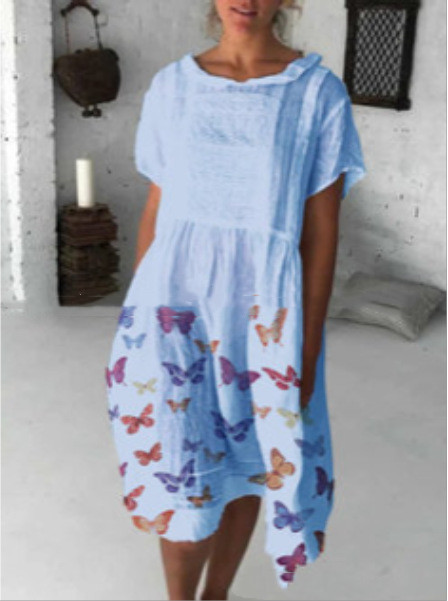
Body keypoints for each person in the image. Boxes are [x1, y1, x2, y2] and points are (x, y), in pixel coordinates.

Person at [105, 1, 367, 599]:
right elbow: (157, 208)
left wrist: (306, 344)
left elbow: (320, 230)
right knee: (180, 465)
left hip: (263, 316)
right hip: (172, 310)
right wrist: (139, 321)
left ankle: (216, 595)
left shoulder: (316, 94)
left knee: (250, 462)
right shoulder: (172, 87)